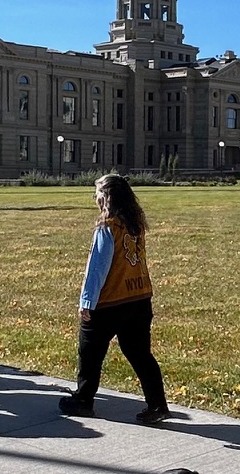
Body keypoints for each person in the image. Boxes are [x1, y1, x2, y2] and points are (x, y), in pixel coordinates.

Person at [59, 174, 171, 424]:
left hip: (110, 302)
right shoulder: (135, 224)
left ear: (108, 196)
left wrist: (86, 302)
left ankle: (83, 400)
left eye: (97, 192)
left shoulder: (107, 227)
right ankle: (157, 404)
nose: (95, 197)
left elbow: (98, 268)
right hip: (139, 298)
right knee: (141, 354)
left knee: (90, 352)